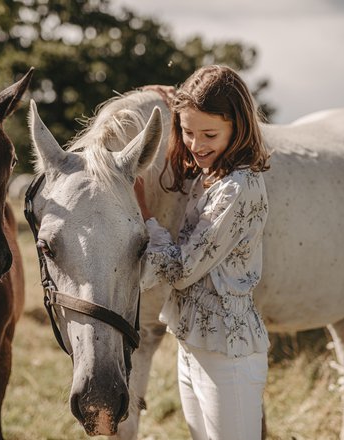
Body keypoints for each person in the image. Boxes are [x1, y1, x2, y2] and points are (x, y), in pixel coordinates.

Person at [136, 65, 270, 440]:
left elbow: (181, 270)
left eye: (209, 134)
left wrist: (146, 215)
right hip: (193, 342)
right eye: (187, 131)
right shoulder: (208, 176)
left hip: (228, 355)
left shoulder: (236, 188)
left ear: (238, 127)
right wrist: (170, 98)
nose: (196, 145)